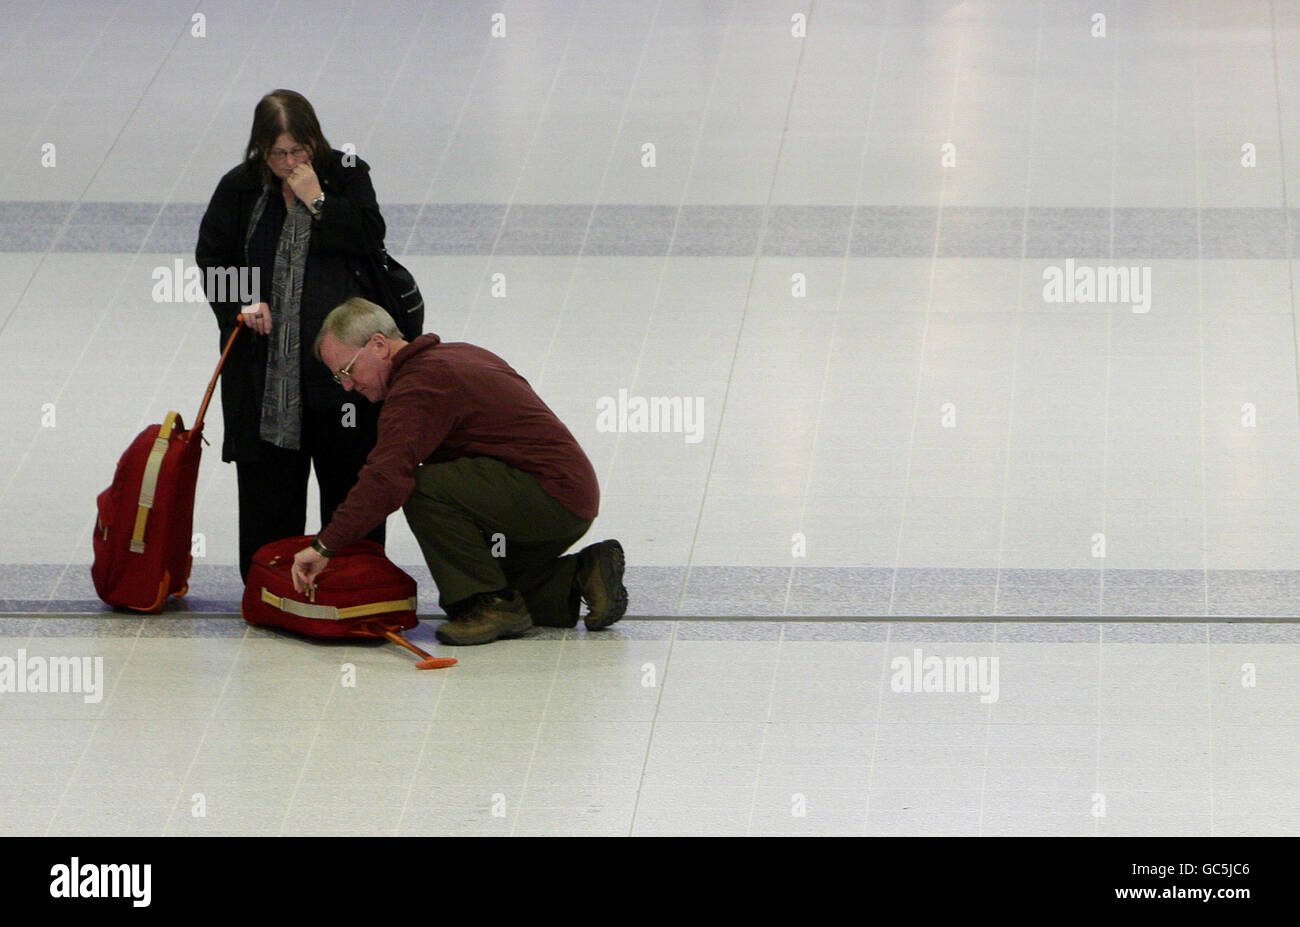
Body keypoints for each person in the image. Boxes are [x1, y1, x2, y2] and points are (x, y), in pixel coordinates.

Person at [289, 298, 627, 645]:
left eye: (348, 371)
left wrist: (325, 545)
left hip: (549, 496)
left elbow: (386, 479)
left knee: (423, 489)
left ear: (378, 344)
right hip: (564, 494)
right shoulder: (457, 354)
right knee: (478, 572)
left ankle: (489, 606)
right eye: (338, 378)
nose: (347, 386)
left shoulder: (418, 387)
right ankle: (581, 575)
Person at [196, 90, 408, 581]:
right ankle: (272, 588)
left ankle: (353, 586)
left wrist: (318, 199)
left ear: (315, 141)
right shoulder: (241, 189)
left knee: (349, 489)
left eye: (299, 150)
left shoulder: (347, 174)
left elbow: (367, 237)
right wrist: (241, 303)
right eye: (278, 154)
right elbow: (214, 257)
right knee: (270, 497)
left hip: (342, 381)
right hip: (267, 381)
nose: (290, 162)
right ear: (259, 150)